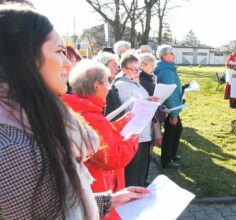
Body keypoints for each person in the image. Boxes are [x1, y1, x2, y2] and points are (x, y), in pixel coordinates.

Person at [0, 3, 149, 219]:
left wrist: (110, 200)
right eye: (60, 51)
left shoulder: (36, 120)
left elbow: (56, 207)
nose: (69, 64)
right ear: (25, 58)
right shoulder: (16, 149)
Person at [61, 60, 140, 219]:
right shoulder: (91, 115)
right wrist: (132, 141)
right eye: (107, 83)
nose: (109, 88)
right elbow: (112, 157)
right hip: (100, 191)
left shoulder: (77, 108)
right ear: (96, 85)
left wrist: (121, 123)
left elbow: (101, 137)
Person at [115, 53, 159, 186]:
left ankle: (139, 200)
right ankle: (130, 203)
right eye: (133, 69)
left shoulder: (136, 83)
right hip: (133, 134)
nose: (136, 72)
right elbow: (126, 109)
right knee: (132, 174)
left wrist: (149, 101)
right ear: (123, 69)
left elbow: (142, 99)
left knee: (141, 171)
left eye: (138, 69)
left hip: (145, 132)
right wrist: (146, 102)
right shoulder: (121, 85)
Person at [138, 53, 168, 185]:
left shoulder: (149, 78)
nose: (153, 68)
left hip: (152, 119)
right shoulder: (141, 80)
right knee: (143, 156)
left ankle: (143, 180)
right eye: (152, 65)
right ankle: (140, 181)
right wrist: (160, 110)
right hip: (146, 122)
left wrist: (162, 107)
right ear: (142, 65)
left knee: (148, 155)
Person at [155, 45, 184, 168]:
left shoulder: (168, 68)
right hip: (170, 108)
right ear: (164, 56)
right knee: (170, 133)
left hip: (172, 107)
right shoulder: (167, 71)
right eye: (171, 53)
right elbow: (170, 94)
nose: (174, 55)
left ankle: (172, 154)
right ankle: (166, 160)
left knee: (177, 129)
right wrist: (173, 114)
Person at [93, 52, 123, 120]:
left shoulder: (111, 84)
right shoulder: (97, 86)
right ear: (104, 67)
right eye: (114, 65)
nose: (117, 69)